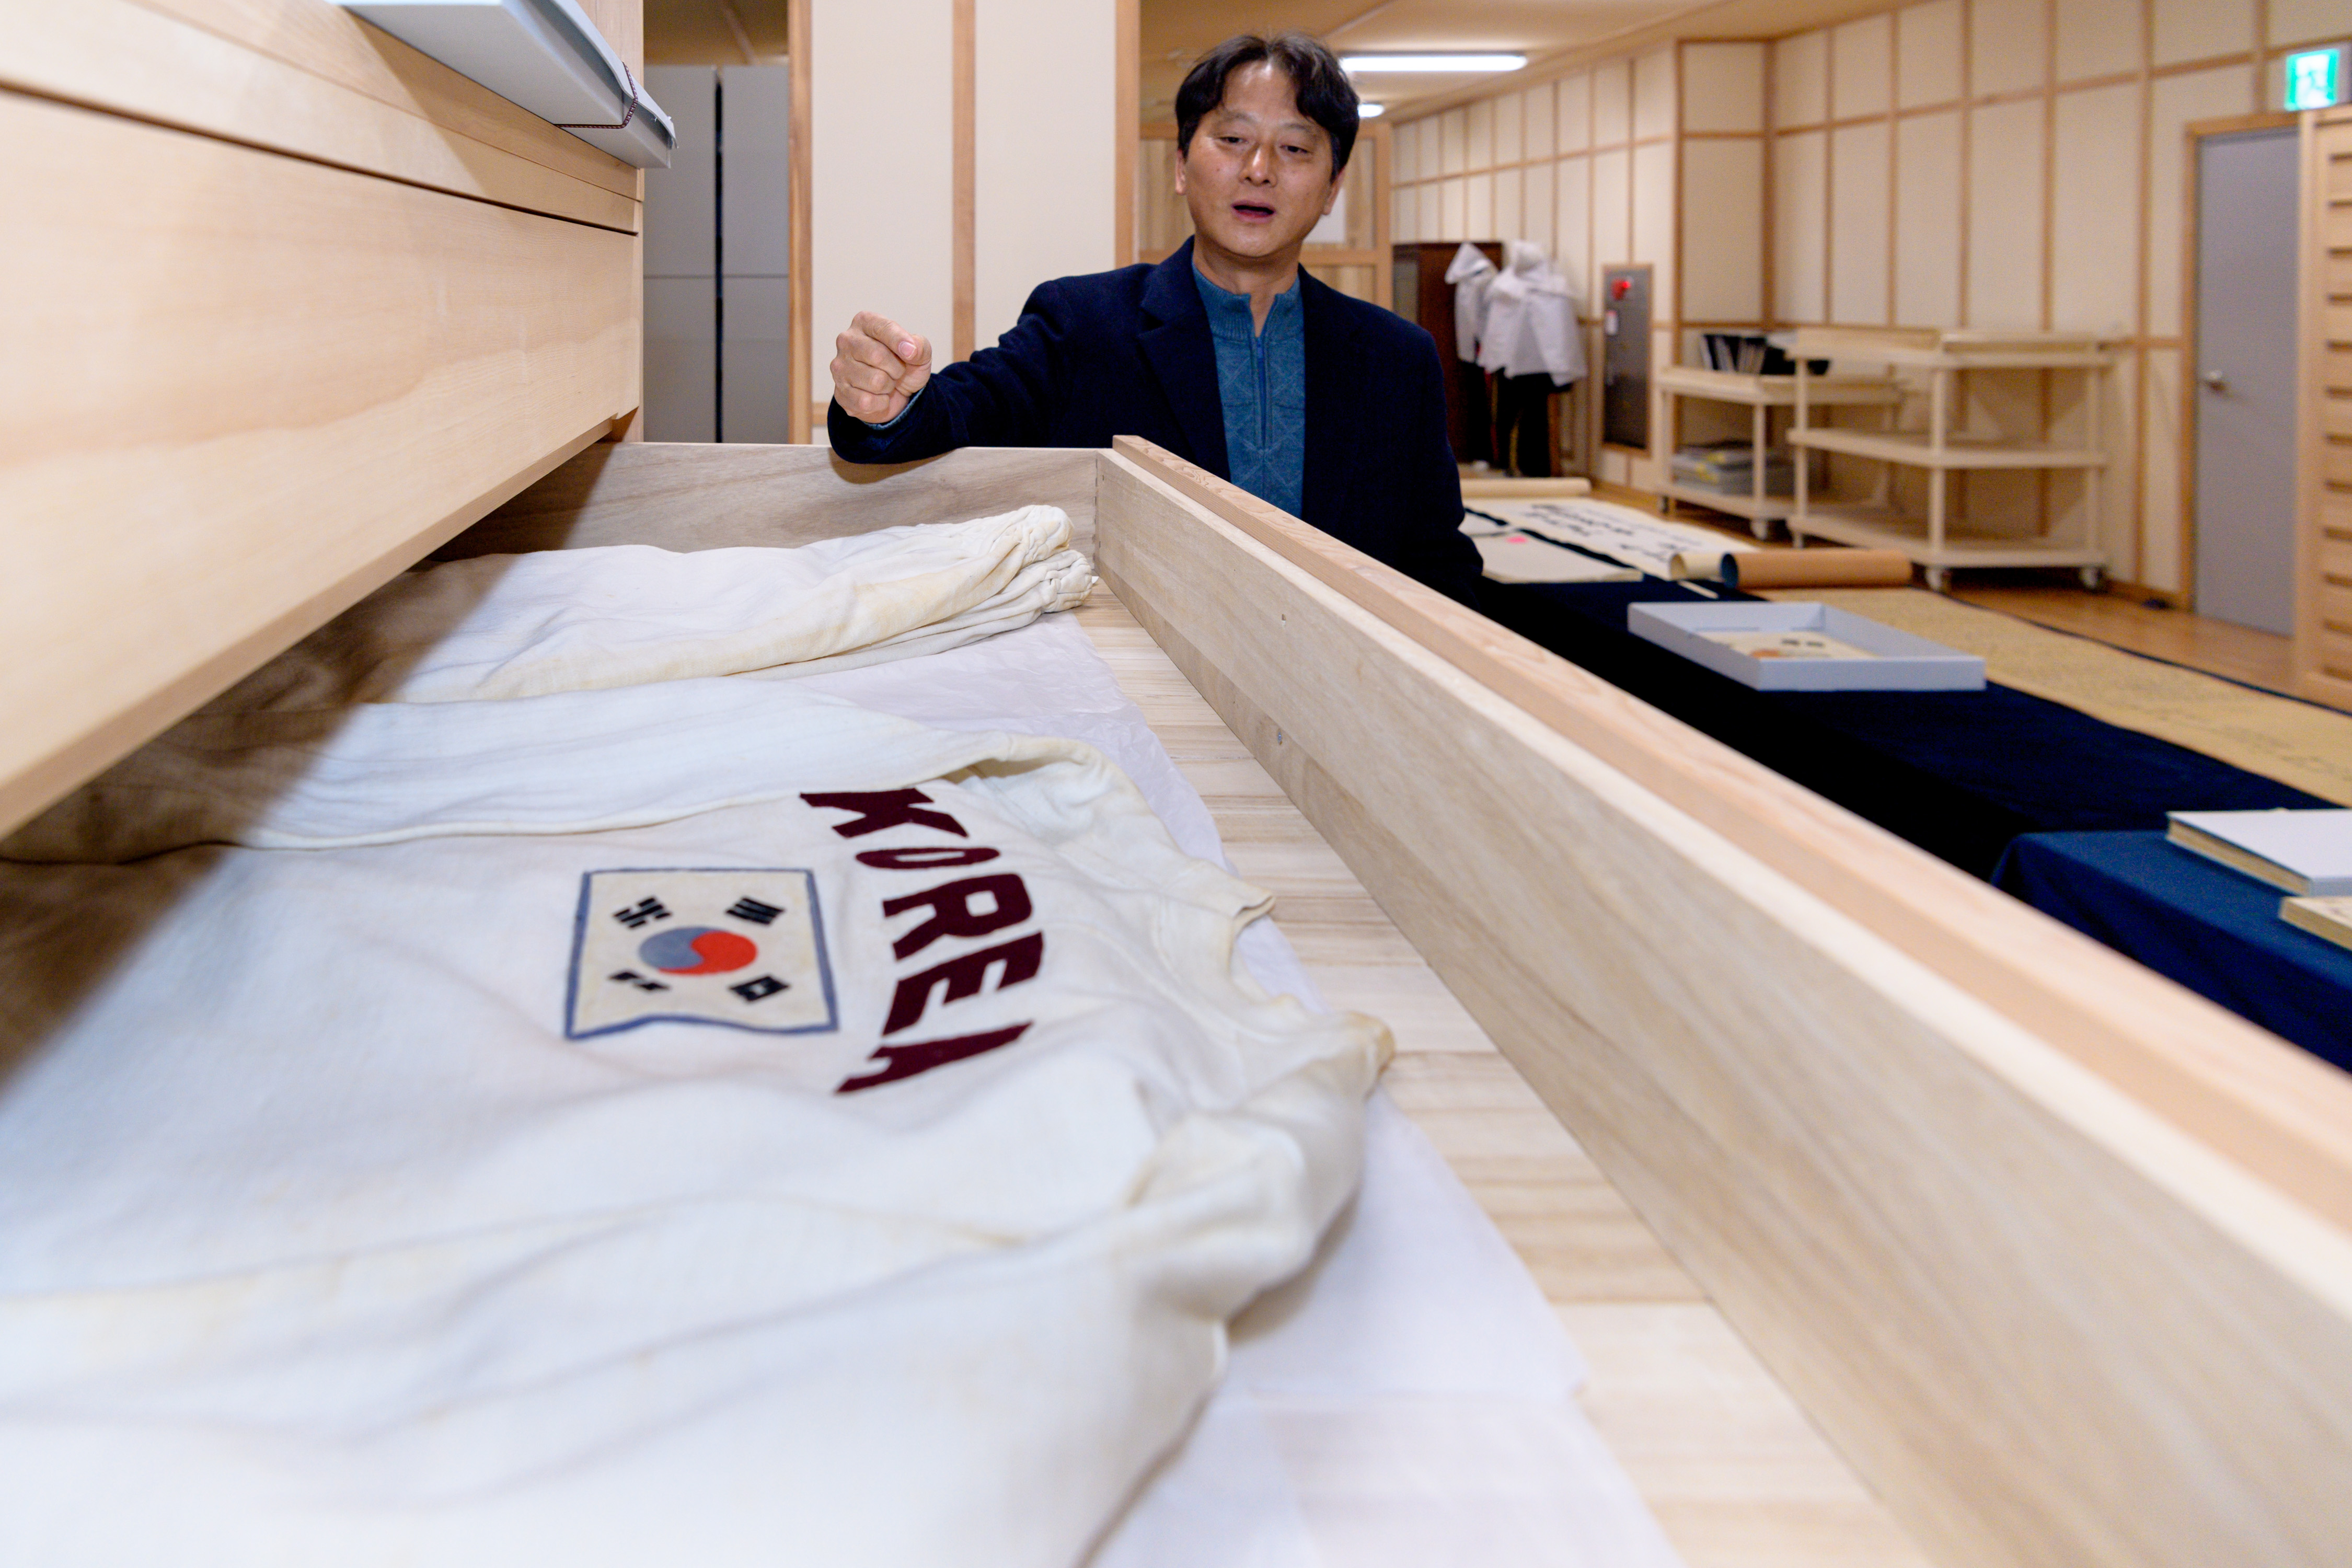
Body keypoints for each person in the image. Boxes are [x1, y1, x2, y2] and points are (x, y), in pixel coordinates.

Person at [826, 32, 1482, 607]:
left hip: (1334, 690)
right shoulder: (1082, 323)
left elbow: (1436, 563)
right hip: (1134, 680)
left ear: (1333, 186)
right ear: (1181, 165)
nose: (1259, 170)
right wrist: (888, 404)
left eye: (1294, 148)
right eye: (1233, 140)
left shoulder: (1397, 357)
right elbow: (962, 411)